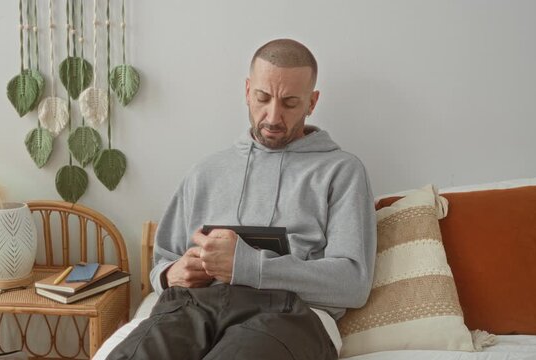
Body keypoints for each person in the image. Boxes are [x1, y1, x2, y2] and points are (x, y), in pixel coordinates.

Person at [106, 38, 376, 360]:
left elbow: (352, 284)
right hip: (192, 307)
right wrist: (171, 274)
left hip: (291, 314)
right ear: (247, 91)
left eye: (290, 103)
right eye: (262, 98)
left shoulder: (342, 171)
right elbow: (162, 262)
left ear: (312, 102)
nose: (273, 117)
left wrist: (246, 266)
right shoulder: (205, 171)